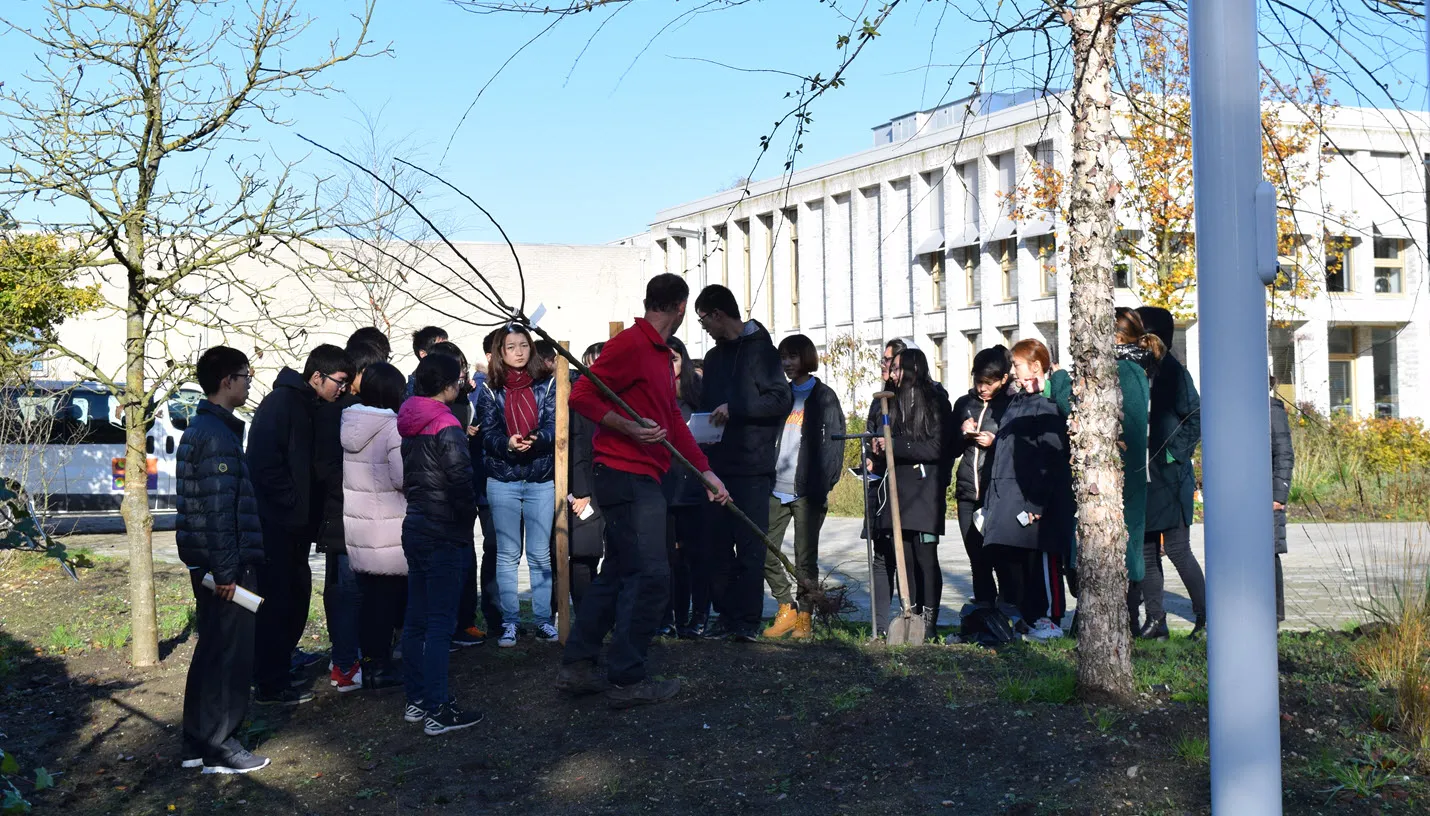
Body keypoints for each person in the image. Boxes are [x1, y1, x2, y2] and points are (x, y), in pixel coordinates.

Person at [556, 273, 729, 708]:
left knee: (618, 570)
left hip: (642, 474)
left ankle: (578, 665)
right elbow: (581, 395)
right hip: (624, 474)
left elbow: (672, 421)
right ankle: (627, 677)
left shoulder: (658, 355)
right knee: (651, 573)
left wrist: (707, 474)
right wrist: (629, 426)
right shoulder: (631, 345)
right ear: (681, 307)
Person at [176, 346, 268, 774]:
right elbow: (218, 509)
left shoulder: (207, 430)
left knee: (212, 651)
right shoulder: (216, 435)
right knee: (229, 656)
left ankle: (197, 742)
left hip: (212, 564)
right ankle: (221, 745)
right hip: (226, 567)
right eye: (245, 376)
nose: (250, 383)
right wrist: (228, 572)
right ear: (227, 381)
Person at [247, 344, 351, 705]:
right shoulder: (282, 403)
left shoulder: (313, 405)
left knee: (294, 597)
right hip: (276, 524)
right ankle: (269, 683)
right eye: (339, 381)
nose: (342, 389)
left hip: (296, 526)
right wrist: (292, 505)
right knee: (277, 601)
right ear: (317, 376)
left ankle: (277, 669)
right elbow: (263, 463)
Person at [693, 284, 792, 642]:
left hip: (752, 465)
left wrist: (737, 411)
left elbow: (780, 400)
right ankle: (726, 615)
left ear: (718, 314)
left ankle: (748, 620)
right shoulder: (716, 358)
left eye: (704, 319)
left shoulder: (762, 352)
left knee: (750, 546)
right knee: (717, 546)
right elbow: (708, 405)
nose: (703, 327)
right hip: (717, 465)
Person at [397, 354, 482, 735]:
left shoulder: (410, 420)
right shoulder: (447, 424)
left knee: (416, 619)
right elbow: (460, 481)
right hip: (443, 529)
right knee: (439, 623)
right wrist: (466, 523)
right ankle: (437, 708)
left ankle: (417, 699)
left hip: (415, 524)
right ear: (449, 383)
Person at [982, 338, 1075, 641]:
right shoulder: (1018, 403)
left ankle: (1050, 618)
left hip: (1040, 502)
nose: (1014, 372)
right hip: (1014, 497)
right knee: (1023, 563)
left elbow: (1049, 458)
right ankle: (1031, 616)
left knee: (1046, 562)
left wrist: (1036, 504)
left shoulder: (1047, 406)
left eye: (1018, 365)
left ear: (1035, 367)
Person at [314, 332, 390, 692]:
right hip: (348, 516)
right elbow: (329, 467)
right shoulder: (346, 414)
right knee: (350, 591)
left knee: (344, 590)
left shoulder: (335, 412)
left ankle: (346, 659)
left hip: (341, 515)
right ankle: (347, 663)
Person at [477, 324, 559, 648]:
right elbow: (488, 433)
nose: (519, 352)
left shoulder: (546, 383)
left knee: (540, 554)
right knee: (508, 554)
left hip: (540, 477)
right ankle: (510, 621)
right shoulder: (489, 388)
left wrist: (539, 439)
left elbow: (555, 424)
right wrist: (508, 444)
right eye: (511, 347)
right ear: (500, 352)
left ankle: (543, 621)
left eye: (524, 345)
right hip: (503, 479)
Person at [762, 333, 844, 640]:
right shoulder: (780, 394)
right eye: (783, 357)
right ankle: (786, 606)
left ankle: (805, 618)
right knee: (764, 548)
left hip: (807, 490)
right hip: (775, 486)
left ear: (806, 358)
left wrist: (824, 484)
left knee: (804, 558)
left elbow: (835, 442)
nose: (787, 363)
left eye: (793, 357)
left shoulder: (823, 396)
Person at [1134, 306, 1206, 640]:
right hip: (1144, 480)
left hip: (1171, 479)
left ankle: (1207, 618)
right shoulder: (1134, 371)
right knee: (1147, 552)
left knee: (1177, 550)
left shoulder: (1174, 372)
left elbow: (1196, 417)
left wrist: (1175, 457)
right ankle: (1156, 622)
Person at [869, 348, 950, 640]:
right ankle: (911, 613)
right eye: (892, 368)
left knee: (925, 556)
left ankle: (929, 618)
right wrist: (878, 445)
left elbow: (936, 448)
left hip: (925, 491)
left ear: (914, 368)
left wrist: (896, 445)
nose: (893, 374)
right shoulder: (891, 402)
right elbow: (882, 432)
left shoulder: (935, 399)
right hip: (898, 489)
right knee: (904, 556)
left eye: (899, 368)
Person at [341, 361, 408, 691]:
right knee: (387, 602)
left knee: (370, 602)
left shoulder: (350, 421)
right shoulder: (393, 427)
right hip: (388, 530)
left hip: (360, 529)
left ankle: (370, 665)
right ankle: (382, 668)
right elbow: (401, 478)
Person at [428, 340, 486, 648]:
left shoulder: (467, 400)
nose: (463, 375)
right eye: (458, 369)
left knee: (466, 559)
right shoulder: (425, 407)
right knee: (442, 565)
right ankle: (444, 628)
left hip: (464, 490)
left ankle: (464, 622)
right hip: (439, 496)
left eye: (463, 368)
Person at [951, 346, 1014, 611]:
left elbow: (1017, 448)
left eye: (988, 383)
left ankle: (1008, 608)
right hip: (968, 492)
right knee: (976, 557)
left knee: (1000, 557)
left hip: (997, 493)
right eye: (978, 382)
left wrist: (995, 441)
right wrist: (961, 432)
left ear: (1003, 379)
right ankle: (985, 613)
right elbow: (950, 448)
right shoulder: (964, 404)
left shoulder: (1010, 405)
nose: (982, 388)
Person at [1113, 308, 1160, 634]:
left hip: (1139, 470)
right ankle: (1141, 618)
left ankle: (1136, 618)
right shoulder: (1140, 366)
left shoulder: (1130, 370)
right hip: (1141, 468)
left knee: (1138, 549)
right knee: (1138, 548)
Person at [661, 336, 707, 638]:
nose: (668, 365)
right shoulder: (651, 394)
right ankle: (667, 618)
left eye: (674, 358)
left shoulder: (697, 394)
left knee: (695, 557)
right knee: (666, 558)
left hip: (693, 486)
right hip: (662, 486)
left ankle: (699, 617)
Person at [567, 342, 607, 613]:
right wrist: (581, 491)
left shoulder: (623, 395)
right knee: (584, 551)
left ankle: (606, 612)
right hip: (587, 482)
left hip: (616, 481)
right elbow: (576, 444)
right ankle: (585, 612)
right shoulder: (579, 398)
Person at [1270, 377, 1295, 624]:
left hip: (1267, 496)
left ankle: (1275, 616)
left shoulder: (1272, 412)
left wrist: (1278, 495)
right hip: (1244, 497)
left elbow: (1284, 454)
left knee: (1269, 552)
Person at [408, 326, 449, 396]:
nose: (448, 351)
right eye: (441, 347)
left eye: (448, 346)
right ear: (423, 354)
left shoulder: (452, 381)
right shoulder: (412, 390)